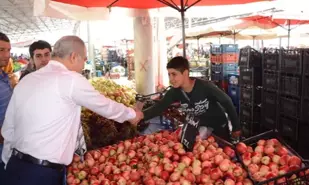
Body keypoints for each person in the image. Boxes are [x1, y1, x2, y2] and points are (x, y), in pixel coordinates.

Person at [1, 36, 143, 185]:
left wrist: (6, 163)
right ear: (74, 57)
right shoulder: (71, 79)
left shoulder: (26, 81)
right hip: (41, 174)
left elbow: (9, 127)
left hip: (14, 166)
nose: (83, 66)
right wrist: (132, 115)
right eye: (84, 60)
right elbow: (104, 105)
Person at [143, 56, 241, 140]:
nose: (171, 79)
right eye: (169, 74)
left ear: (185, 73)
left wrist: (236, 127)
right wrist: (140, 116)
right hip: (200, 129)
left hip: (218, 128)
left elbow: (227, 101)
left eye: (174, 74)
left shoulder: (205, 86)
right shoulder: (174, 92)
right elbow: (160, 106)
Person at [0, 32, 13, 182]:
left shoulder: (5, 78)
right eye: (1, 50)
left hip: (8, 151)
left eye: (8, 50)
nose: (7, 55)